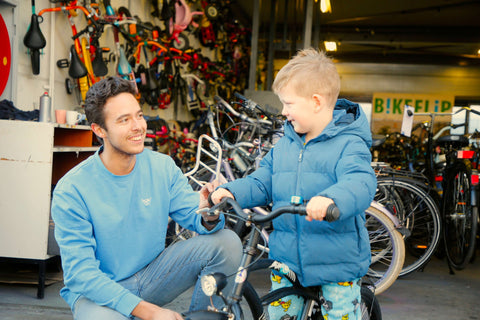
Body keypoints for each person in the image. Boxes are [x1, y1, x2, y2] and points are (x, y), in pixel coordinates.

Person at [51, 76, 242, 320]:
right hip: (99, 293)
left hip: (153, 276)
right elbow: (82, 274)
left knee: (227, 242)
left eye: (139, 115)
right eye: (124, 120)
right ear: (99, 130)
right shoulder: (72, 189)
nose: (138, 126)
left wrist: (209, 208)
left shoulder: (162, 166)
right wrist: (150, 312)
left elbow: (196, 219)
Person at [210, 48, 377, 320]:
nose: (284, 112)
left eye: (289, 104)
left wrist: (333, 199)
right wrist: (232, 191)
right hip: (287, 258)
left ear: (315, 101)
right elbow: (263, 182)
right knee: (279, 316)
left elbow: (359, 182)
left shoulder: (349, 143)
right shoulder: (285, 144)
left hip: (336, 262)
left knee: (340, 315)